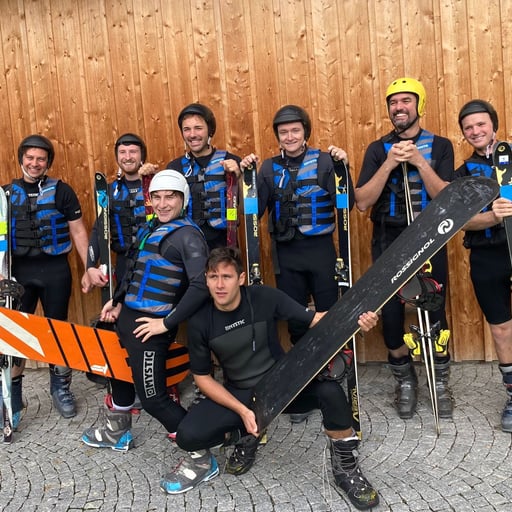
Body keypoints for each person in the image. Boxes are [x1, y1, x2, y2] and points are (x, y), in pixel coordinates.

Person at [161, 246, 380, 510]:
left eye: (226, 277)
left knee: (330, 392)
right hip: (241, 393)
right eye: (213, 277)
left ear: (241, 278)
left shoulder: (264, 297)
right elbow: (203, 378)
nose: (219, 285)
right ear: (206, 280)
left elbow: (318, 320)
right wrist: (242, 411)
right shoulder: (200, 321)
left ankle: (346, 467)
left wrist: (358, 320)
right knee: (187, 435)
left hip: (281, 385)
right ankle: (245, 434)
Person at [82, 169, 210, 451]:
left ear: (183, 199)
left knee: (154, 400)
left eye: (170, 197)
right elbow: (134, 268)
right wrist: (117, 300)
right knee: (118, 374)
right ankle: (117, 433)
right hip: (127, 318)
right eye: (157, 197)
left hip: (151, 329)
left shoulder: (188, 236)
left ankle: (201, 453)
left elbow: (201, 286)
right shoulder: (151, 226)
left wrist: (166, 323)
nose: (162, 204)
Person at [240, 105, 353, 423]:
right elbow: (252, 212)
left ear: (305, 132)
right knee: (297, 320)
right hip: (286, 255)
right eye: (283, 132)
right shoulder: (268, 168)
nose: (289, 137)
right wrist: (246, 178)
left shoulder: (325, 162)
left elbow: (347, 202)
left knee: (328, 316)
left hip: (321, 251)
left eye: (295, 130)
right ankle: (304, 383)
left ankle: (331, 376)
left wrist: (344, 167)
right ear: (277, 136)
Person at [355, 77, 455, 420]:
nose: (399, 107)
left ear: (419, 105)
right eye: (393, 102)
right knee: (392, 314)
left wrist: (419, 162)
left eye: (406, 101)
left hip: (430, 236)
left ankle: (440, 381)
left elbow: (447, 198)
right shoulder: (377, 149)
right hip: (388, 238)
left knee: (434, 307)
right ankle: (405, 379)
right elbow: (362, 202)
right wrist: (389, 163)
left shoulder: (440, 146)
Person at [1, 134, 90, 421]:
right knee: (17, 336)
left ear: (48, 162)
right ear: (21, 159)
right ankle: (13, 397)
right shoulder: (5, 194)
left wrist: (90, 267)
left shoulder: (62, 192)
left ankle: (60, 388)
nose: (35, 163)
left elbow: (78, 231)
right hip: (18, 275)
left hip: (55, 271)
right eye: (30, 157)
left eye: (41, 158)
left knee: (57, 332)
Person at [81, 133, 147, 443]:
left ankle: (155, 384)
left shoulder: (155, 186)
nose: (128, 156)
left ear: (142, 156)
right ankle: (124, 388)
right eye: (123, 152)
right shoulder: (109, 192)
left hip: (153, 264)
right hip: (121, 264)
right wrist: (90, 266)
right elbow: (98, 232)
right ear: (118, 157)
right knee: (120, 322)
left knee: (150, 319)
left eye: (133, 151)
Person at [456, 99, 512, 432]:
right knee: (501, 327)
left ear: (494, 125)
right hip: (487, 255)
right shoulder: (463, 174)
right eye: (469, 127)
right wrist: (492, 216)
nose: (475, 131)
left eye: (481, 124)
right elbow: (461, 222)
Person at [166, 102, 241, 250]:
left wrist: (239, 177)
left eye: (198, 128)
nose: (192, 134)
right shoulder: (174, 168)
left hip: (224, 246)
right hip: (187, 246)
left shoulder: (232, 162)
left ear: (210, 130)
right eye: (186, 129)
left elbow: (246, 210)